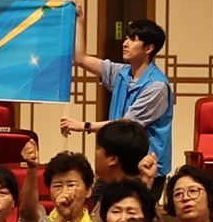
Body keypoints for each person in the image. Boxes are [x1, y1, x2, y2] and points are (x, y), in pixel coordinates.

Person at [72, 15, 176, 178]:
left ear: (149, 48)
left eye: (133, 39)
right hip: (116, 163)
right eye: (126, 38)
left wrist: (84, 125)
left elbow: (125, 124)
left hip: (144, 168)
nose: (125, 43)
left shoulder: (157, 86)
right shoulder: (121, 72)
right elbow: (81, 59)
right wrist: (79, 19)